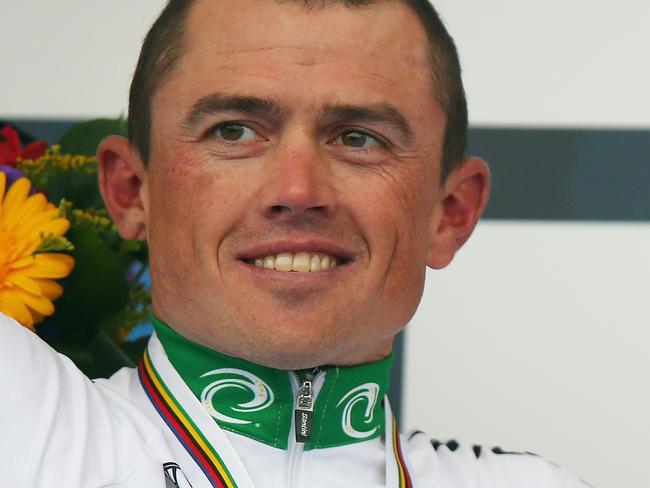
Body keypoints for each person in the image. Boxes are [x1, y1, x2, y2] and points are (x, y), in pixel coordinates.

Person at [0, 0, 591, 486]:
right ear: (131, 192)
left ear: (451, 213)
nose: (297, 188)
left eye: (359, 138)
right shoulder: (25, 427)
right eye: (233, 130)